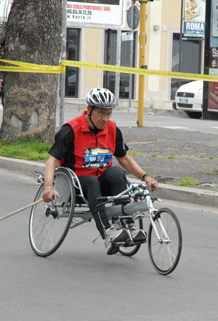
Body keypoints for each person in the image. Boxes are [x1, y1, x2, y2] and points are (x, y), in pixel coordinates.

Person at [41, 88, 159, 255]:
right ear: (89, 110)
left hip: (101, 184)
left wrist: (146, 177)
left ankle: (127, 226)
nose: (105, 119)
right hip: (78, 185)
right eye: (101, 114)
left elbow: (124, 158)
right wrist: (48, 187)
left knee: (117, 172)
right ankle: (108, 232)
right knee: (91, 181)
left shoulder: (112, 129)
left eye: (108, 114)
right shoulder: (71, 130)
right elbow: (52, 161)